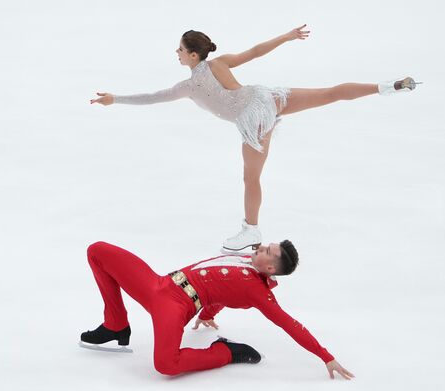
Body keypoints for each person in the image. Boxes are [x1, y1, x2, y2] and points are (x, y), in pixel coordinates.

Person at [90, 26, 419, 251]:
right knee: (329, 93)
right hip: (266, 97)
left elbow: (152, 97)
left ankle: (251, 230)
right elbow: (256, 51)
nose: (176, 53)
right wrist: (287, 36)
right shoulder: (219, 62)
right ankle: (386, 87)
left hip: (252, 117)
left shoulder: (188, 86)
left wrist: (114, 98)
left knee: (251, 177)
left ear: (193, 56)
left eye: (180, 49)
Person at [80, 240, 355, 379]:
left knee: (165, 365)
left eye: (266, 251)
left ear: (270, 268)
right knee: (97, 251)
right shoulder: (246, 258)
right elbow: (223, 287)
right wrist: (209, 314)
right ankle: (116, 324)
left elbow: (288, 323)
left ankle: (226, 352)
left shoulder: (258, 293)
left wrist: (325, 356)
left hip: (173, 306)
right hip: (159, 283)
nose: (260, 247)